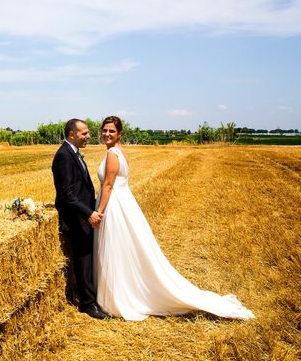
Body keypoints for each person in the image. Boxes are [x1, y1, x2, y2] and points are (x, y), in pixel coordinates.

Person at [93, 115, 255, 321]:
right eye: (105, 130)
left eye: (111, 131)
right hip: (124, 203)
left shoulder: (113, 154)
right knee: (125, 249)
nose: (107, 134)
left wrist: (99, 211)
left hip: (115, 206)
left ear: (119, 134)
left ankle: (118, 298)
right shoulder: (119, 151)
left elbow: (108, 185)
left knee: (116, 249)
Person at [52, 118, 109, 320]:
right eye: (84, 133)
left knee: (87, 257)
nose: (88, 136)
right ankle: (87, 304)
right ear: (71, 135)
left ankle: (91, 297)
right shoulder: (63, 156)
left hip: (83, 215)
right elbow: (67, 194)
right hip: (76, 219)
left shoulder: (73, 153)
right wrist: (89, 213)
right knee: (83, 260)